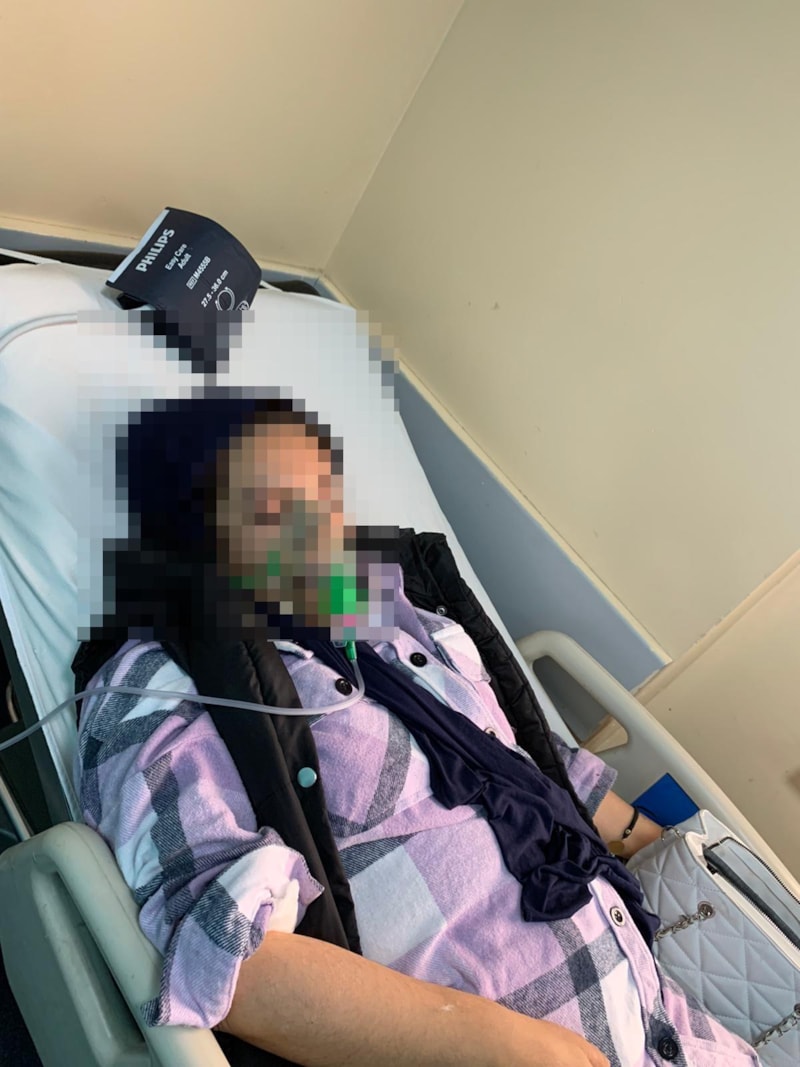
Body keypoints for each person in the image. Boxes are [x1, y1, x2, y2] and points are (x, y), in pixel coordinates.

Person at [73, 394, 761, 1067]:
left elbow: (519, 757)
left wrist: (655, 838)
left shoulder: (400, 620)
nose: (321, 531)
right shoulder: (166, 682)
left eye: (325, 496)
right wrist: (504, 1047)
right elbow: (227, 957)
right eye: (272, 507)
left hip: (680, 1031)